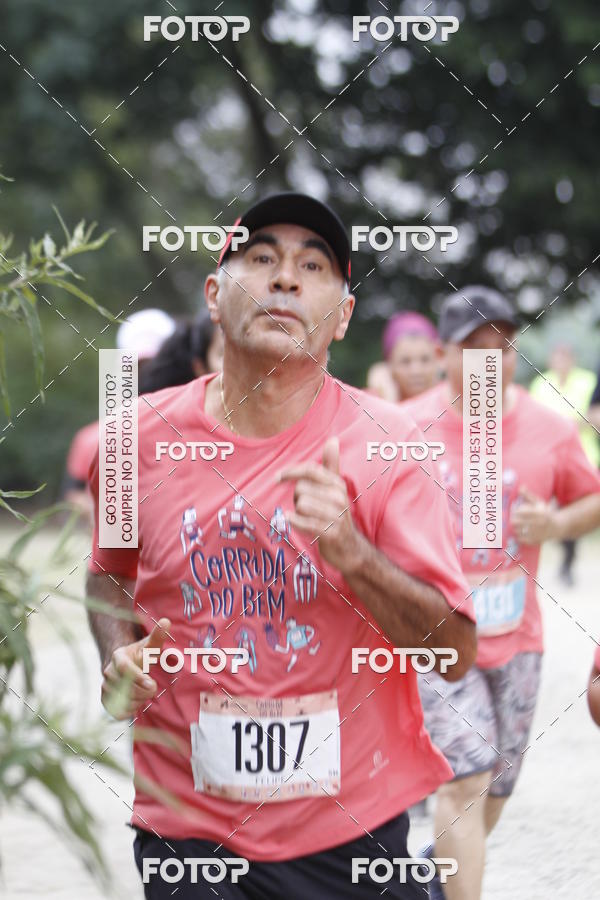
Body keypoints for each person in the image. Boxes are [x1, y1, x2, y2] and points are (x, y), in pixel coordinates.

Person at [85, 192, 477, 900]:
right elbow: (106, 577)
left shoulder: (392, 446)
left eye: (312, 264)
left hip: (350, 826)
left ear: (344, 315)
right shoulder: (129, 439)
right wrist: (116, 653)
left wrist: (356, 555)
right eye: (260, 258)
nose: (285, 278)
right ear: (214, 294)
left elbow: (452, 655)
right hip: (189, 826)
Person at [402, 286, 600, 900]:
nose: (492, 358)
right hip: (436, 642)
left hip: (518, 642)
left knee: (495, 790)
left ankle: (436, 874)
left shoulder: (549, 428)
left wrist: (557, 525)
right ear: (443, 353)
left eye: (504, 346)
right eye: (475, 347)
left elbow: (591, 497)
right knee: (467, 777)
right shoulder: (404, 427)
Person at [62, 308, 177, 520]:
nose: (147, 378)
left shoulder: (195, 431)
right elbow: (74, 492)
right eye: (139, 369)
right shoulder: (93, 438)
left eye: (154, 368)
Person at [529, 343, 599, 584]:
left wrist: (572, 424)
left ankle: (568, 562)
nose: (561, 362)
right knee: (555, 509)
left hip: (583, 456)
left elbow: (593, 415)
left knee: (574, 509)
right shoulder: (540, 383)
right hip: (548, 456)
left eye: (565, 357)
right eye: (557, 357)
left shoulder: (587, 381)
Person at [366, 311, 441, 401]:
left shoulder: (456, 400)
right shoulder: (370, 402)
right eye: (405, 361)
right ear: (390, 364)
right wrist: (387, 398)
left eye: (425, 360)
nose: (416, 371)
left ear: (438, 359)